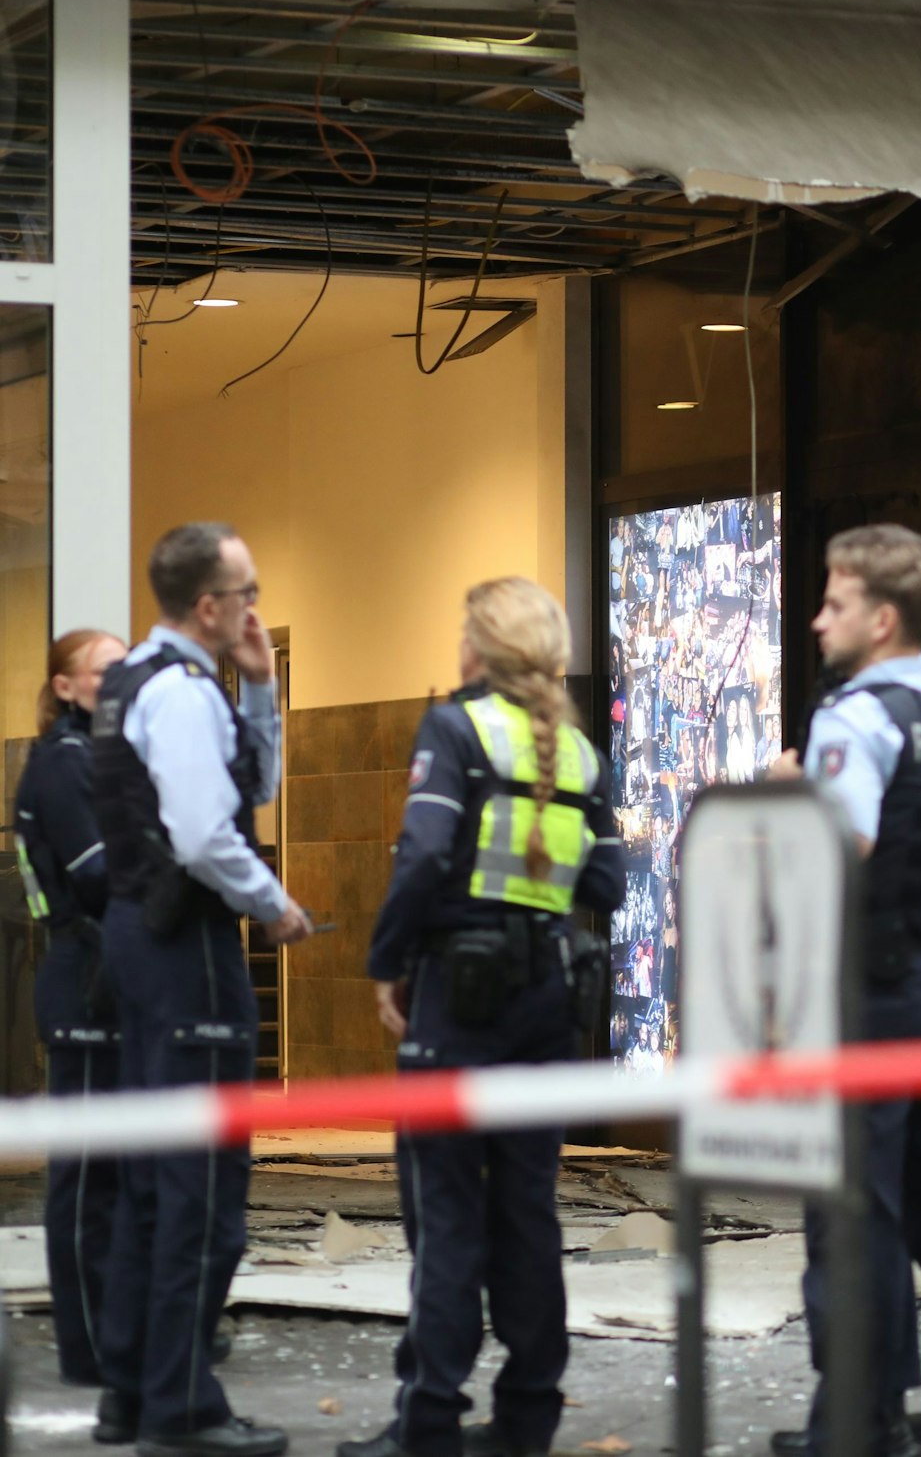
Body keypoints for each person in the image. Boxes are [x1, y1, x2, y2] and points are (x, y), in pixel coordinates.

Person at [338, 578, 624, 1457]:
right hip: (545, 1001)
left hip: (457, 1001)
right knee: (527, 1212)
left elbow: (423, 858)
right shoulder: (577, 753)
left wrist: (387, 964)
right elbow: (605, 888)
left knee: (447, 1210)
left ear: (479, 649)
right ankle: (528, 1415)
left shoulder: (456, 729)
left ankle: (428, 1422)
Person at [768, 523, 921, 1457]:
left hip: (868, 993)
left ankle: (857, 1427)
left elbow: (847, 844)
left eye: (832, 602)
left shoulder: (852, 717)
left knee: (855, 1218)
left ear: (881, 617)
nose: (818, 620)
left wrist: (786, 790)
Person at [92, 523, 313, 1457]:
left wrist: (261, 686)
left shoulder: (134, 682)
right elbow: (206, 832)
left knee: (152, 1182)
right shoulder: (179, 696)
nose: (257, 607)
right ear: (209, 605)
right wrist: (275, 905)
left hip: (136, 942)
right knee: (203, 1187)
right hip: (189, 948)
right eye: (248, 591)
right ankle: (184, 1406)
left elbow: (249, 782)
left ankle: (134, 1397)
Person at [15, 628, 126, 1388]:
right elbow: (98, 874)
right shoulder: (62, 764)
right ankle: (87, 1348)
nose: (122, 682)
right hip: (82, 970)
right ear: (65, 686)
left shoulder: (98, 760)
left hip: (108, 972)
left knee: (119, 1169)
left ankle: (120, 1332)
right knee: (84, 1176)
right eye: (106, 670)